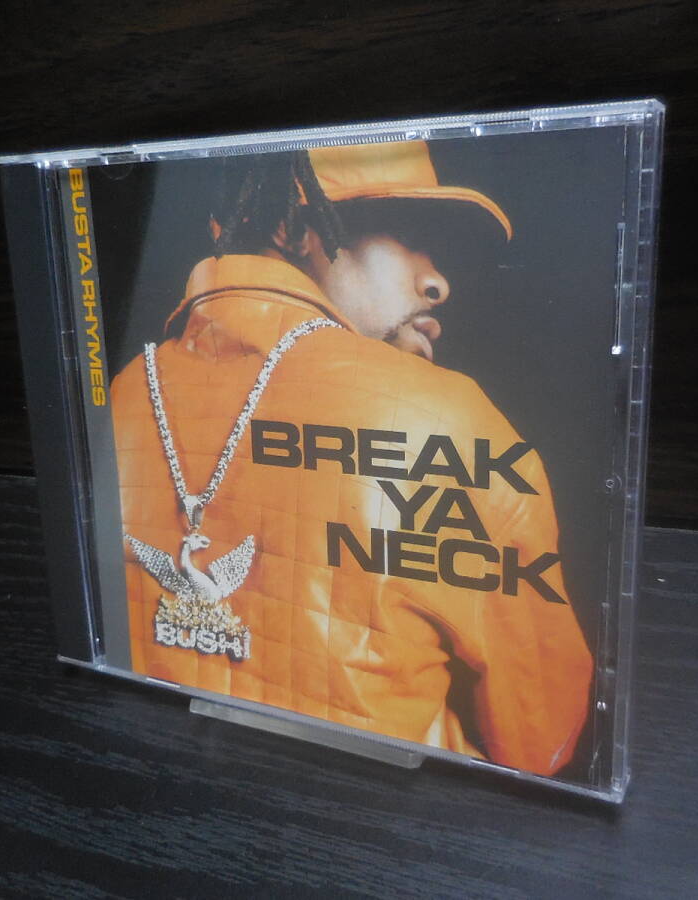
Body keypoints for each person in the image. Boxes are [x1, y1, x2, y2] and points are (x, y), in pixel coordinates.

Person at [110, 141, 592, 775]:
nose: (438, 282)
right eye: (409, 237)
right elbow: (541, 739)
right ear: (294, 229)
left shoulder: (117, 394)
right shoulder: (446, 420)